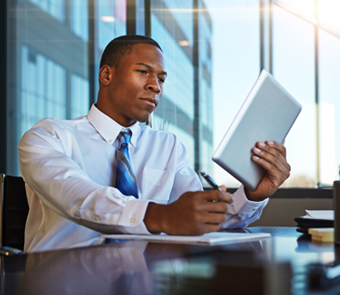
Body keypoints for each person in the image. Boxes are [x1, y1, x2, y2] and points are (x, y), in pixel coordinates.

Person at [18, 35, 291, 252]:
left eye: (161, 78)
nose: (156, 86)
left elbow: (201, 218)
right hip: (59, 282)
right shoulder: (47, 137)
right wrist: (160, 216)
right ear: (106, 75)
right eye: (143, 72)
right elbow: (81, 198)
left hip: (146, 281)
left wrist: (254, 193)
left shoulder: (169, 146)